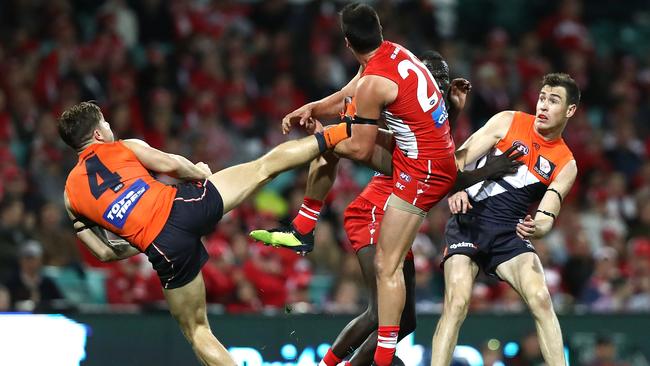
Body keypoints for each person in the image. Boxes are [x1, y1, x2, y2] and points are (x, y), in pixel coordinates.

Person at [253, 52, 520, 365]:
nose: (440, 85)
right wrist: (488, 169)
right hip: (373, 213)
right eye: (436, 78)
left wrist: (455, 112)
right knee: (379, 312)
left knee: (404, 321)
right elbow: (445, 176)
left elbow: (439, 156)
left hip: (395, 220)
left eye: (444, 80)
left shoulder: (427, 125)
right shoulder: (403, 112)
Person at [58, 101, 348, 365]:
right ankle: (337, 134)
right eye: (105, 123)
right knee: (263, 167)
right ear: (97, 134)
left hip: (165, 248)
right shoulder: (124, 146)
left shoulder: (71, 197)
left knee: (198, 332)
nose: (110, 127)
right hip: (184, 207)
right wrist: (200, 173)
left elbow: (104, 252)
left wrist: (144, 238)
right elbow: (172, 165)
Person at [252, 4, 461, 364]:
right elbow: (354, 90)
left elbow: (360, 147)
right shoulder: (394, 53)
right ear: (378, 29)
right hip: (418, 158)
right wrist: (315, 108)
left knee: (386, 269)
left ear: (347, 43)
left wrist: (321, 137)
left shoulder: (372, 85)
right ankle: (303, 227)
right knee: (334, 139)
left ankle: (377, 360)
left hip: (421, 169)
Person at [430, 73, 580, 366]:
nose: (544, 106)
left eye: (554, 101)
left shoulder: (566, 163)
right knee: (457, 303)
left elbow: (548, 212)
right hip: (469, 221)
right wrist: (457, 189)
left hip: (508, 233)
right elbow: (457, 160)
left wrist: (539, 227)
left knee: (541, 297)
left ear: (570, 111)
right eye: (542, 98)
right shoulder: (508, 121)